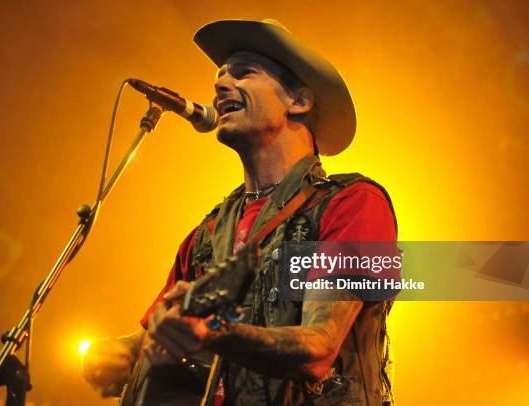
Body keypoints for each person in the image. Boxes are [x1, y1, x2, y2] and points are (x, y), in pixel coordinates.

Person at [83, 19, 397, 406]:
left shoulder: (350, 204)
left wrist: (212, 334)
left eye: (244, 72)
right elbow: (161, 331)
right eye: (219, 75)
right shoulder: (208, 234)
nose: (218, 85)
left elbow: (318, 347)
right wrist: (121, 353)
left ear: (298, 101)